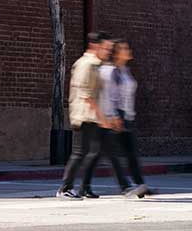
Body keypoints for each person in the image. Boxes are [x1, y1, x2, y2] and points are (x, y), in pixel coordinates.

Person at [56, 32, 113, 200]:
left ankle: (84, 188)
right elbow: (86, 94)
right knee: (80, 152)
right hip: (85, 115)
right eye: (105, 48)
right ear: (95, 46)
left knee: (94, 151)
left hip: (92, 115)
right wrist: (101, 116)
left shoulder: (95, 64)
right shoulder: (86, 64)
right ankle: (65, 188)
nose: (108, 51)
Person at [99, 39, 149, 199]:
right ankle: (125, 186)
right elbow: (111, 96)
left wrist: (128, 115)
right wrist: (113, 116)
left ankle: (140, 185)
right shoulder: (112, 71)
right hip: (115, 115)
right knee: (110, 154)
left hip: (126, 115)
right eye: (124, 49)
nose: (128, 51)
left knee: (131, 153)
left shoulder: (125, 70)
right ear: (117, 53)